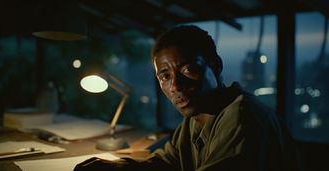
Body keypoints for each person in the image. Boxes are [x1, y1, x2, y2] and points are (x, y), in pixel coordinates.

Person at [74, 25, 301, 171]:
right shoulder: (197, 117)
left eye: (188, 69)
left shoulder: (242, 117)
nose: (175, 86)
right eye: (164, 76)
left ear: (216, 66)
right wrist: (121, 166)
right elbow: (167, 162)